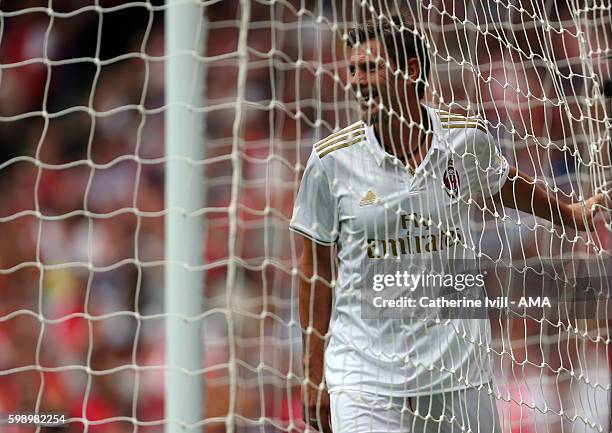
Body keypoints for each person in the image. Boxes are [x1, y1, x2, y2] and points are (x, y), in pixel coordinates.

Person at [290, 15, 608, 433]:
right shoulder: (331, 161)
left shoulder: (464, 139)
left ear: (411, 70)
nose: (357, 81)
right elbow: (314, 268)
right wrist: (313, 376)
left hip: (457, 371)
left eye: (370, 68)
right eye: (353, 70)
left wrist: (567, 214)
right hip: (363, 376)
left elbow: (503, 182)